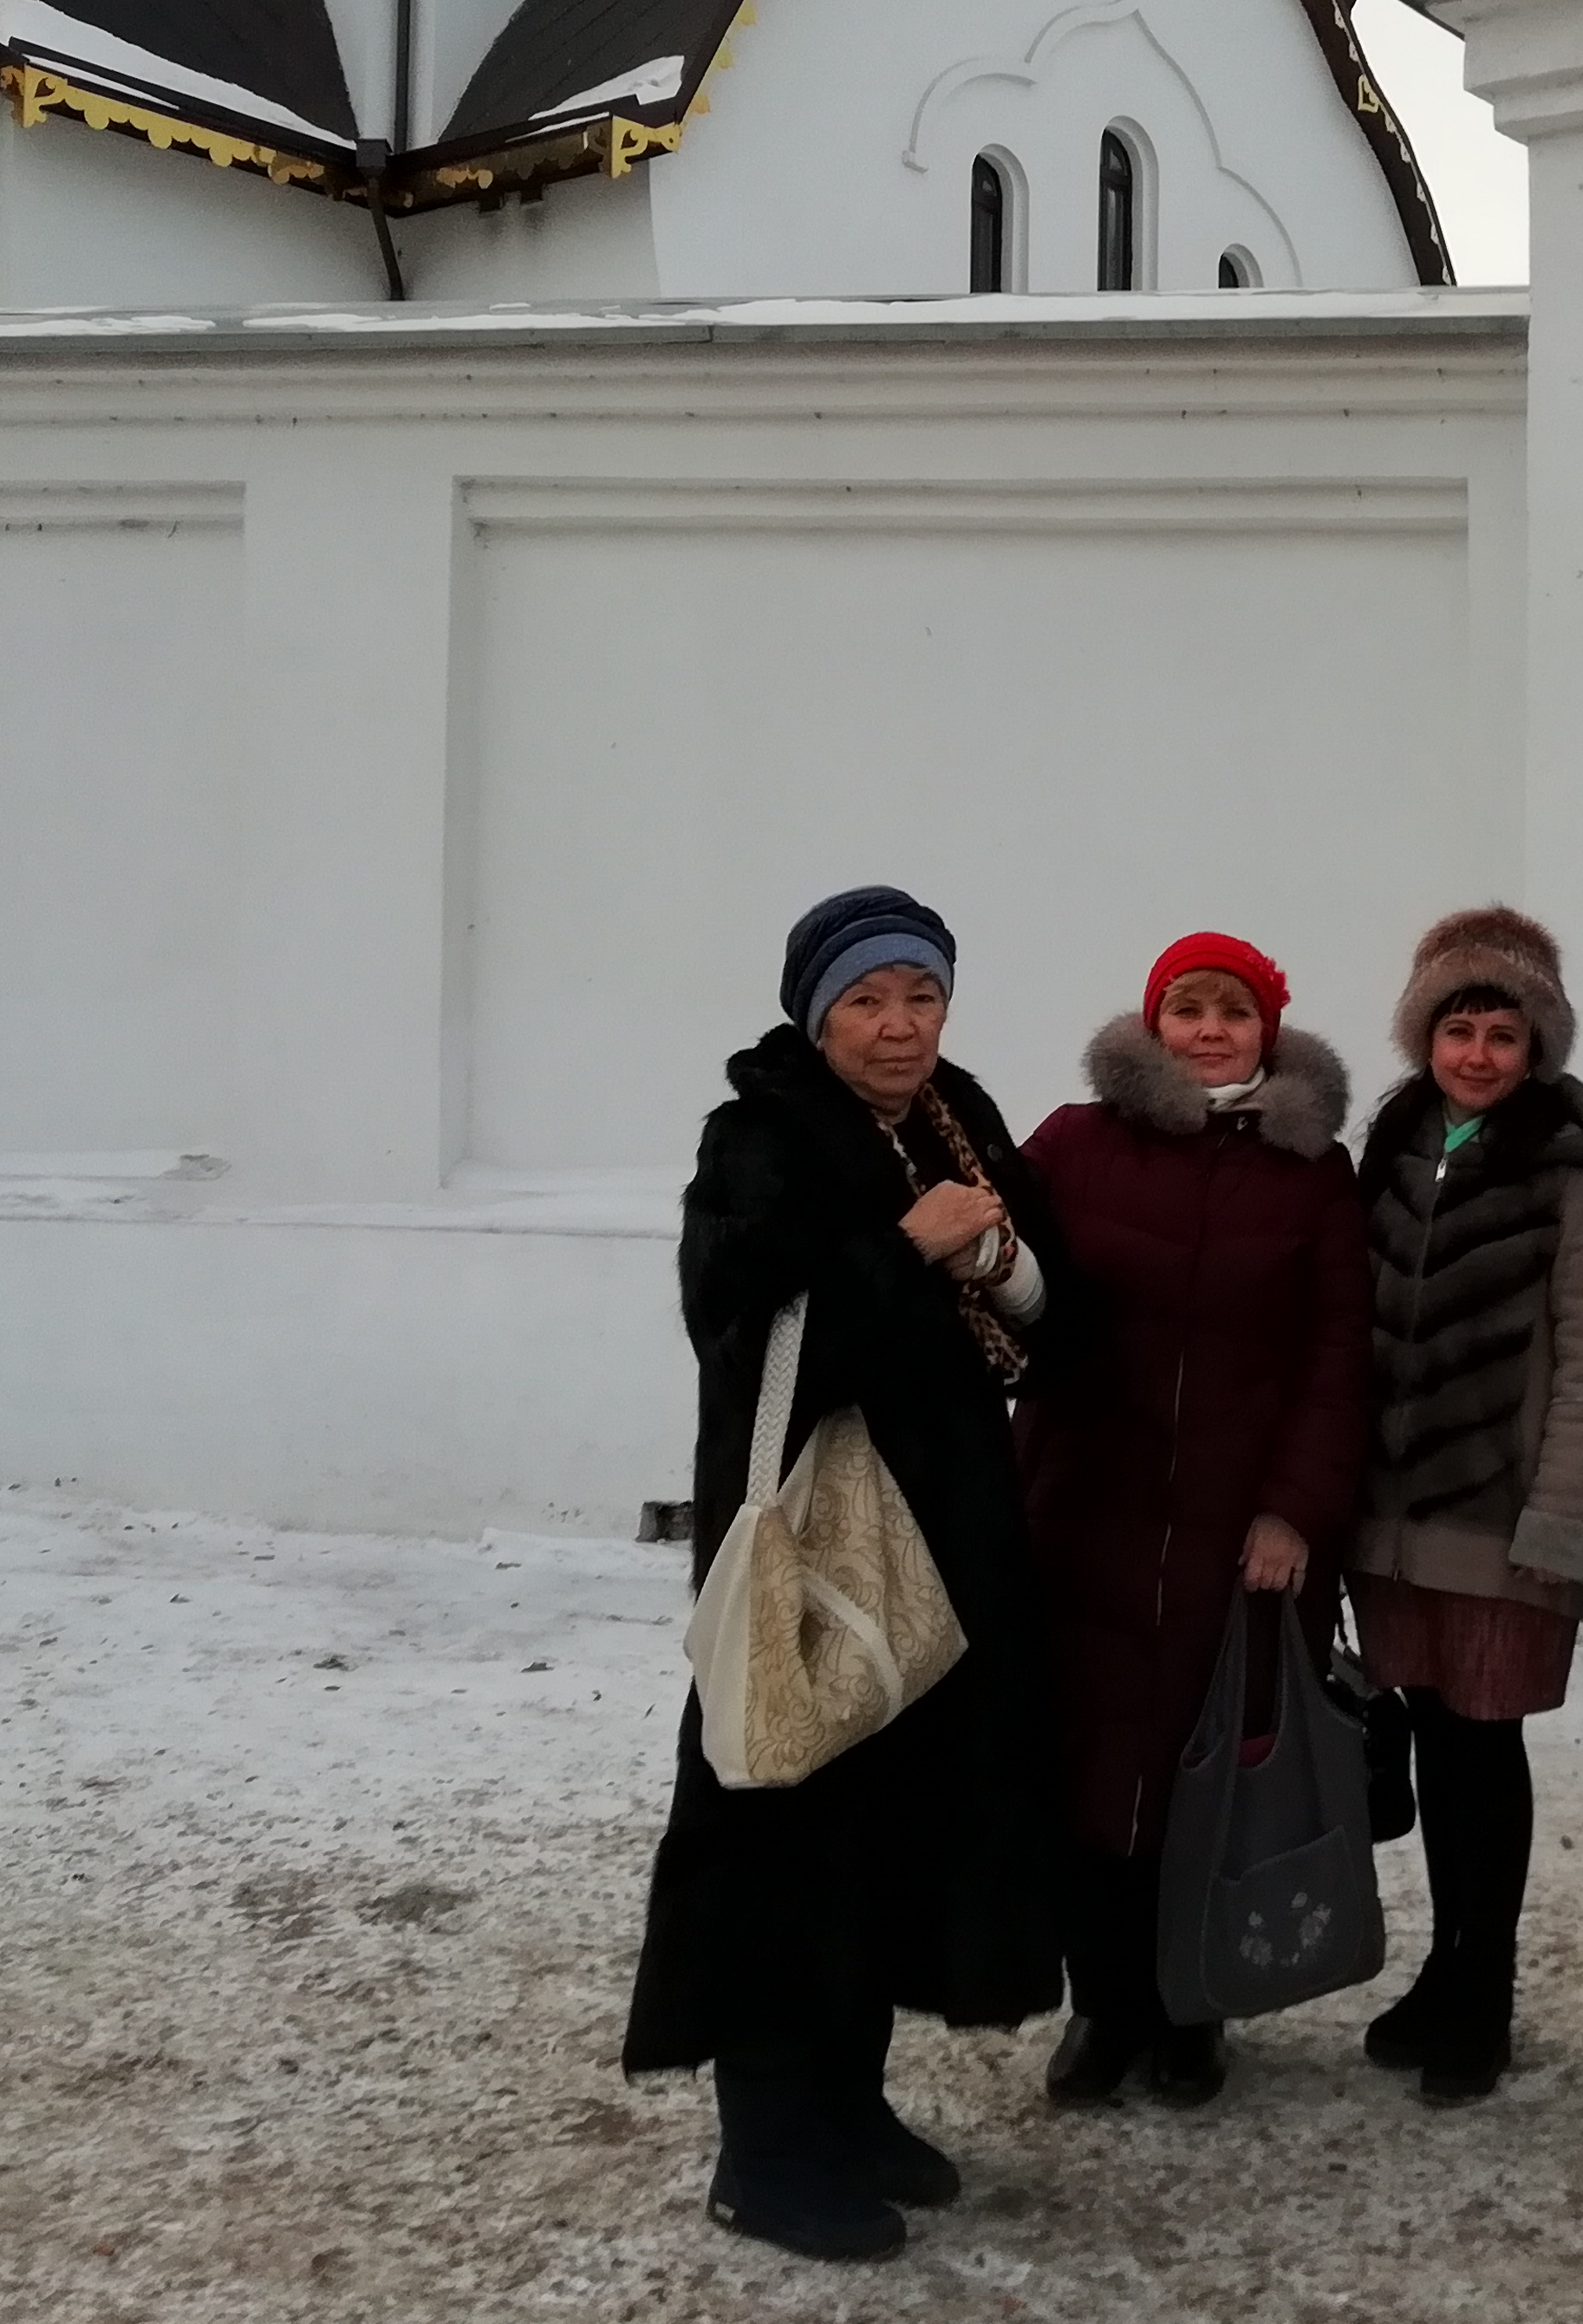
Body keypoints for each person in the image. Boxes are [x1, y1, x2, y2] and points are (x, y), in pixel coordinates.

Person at [623, 886, 1067, 2263]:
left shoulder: (956, 1117)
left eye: (922, 996)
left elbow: (1042, 1316)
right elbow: (748, 1347)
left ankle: (850, 2107)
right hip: (816, 1551)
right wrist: (905, 1251)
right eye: (867, 1001)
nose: (899, 1025)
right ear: (818, 1017)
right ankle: (764, 2153)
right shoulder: (759, 1144)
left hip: (944, 1545)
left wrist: (1004, 1267)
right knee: (786, 1839)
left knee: (892, 1835)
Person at [1014, 932, 1370, 2110]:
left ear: (1268, 1029)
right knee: (1086, 1771)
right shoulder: (1075, 1145)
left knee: (1203, 1776)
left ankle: (1192, 2008)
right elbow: (1003, 1280)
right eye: (1188, 1008)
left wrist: (1293, 1510)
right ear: (1154, 1023)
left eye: (1234, 1010)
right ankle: (1101, 2004)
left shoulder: (1311, 1171)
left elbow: (1336, 1357)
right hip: (1087, 1511)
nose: (1210, 1030)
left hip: (1235, 1537)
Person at [1348, 905, 1583, 2106]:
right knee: (1428, 1735)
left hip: (1504, 1523)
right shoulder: (1389, 1150)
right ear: (1426, 1036)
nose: (1477, 1054)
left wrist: (1559, 1520)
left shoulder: (1569, 1174)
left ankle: (1486, 1988)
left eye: (1502, 1035)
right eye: (1458, 1029)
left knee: (1482, 1747)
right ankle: (1443, 1966)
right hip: (1393, 1519)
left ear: (1535, 1049)